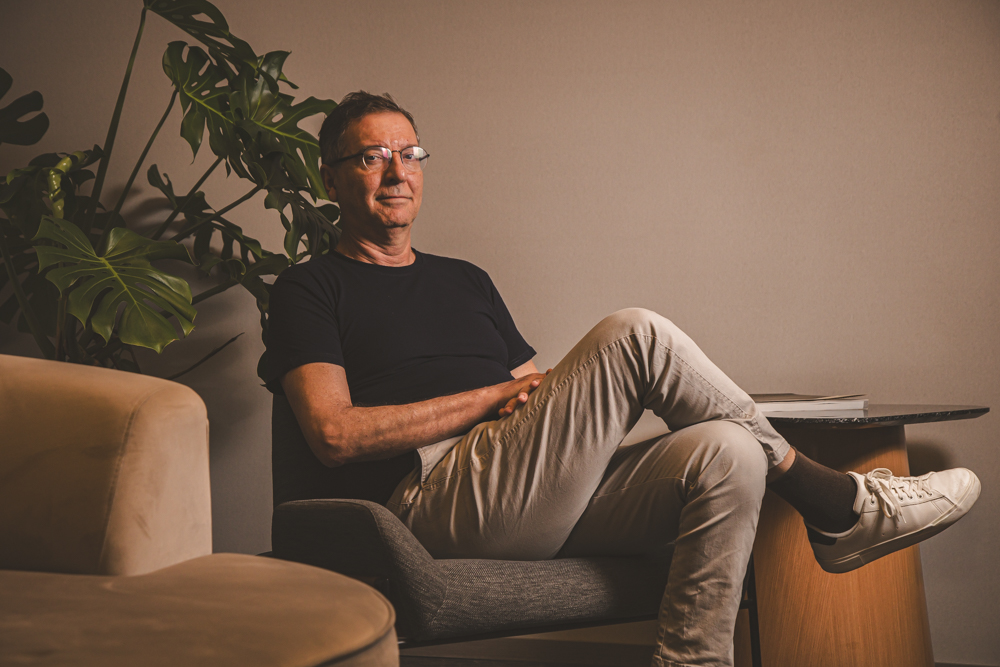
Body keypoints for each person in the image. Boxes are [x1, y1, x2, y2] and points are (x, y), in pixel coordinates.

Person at [262, 91, 981, 667]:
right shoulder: (309, 289)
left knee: (728, 449)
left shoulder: (466, 279)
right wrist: (490, 398)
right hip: (431, 497)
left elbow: (536, 397)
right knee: (636, 331)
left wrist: (546, 403)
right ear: (330, 177)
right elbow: (333, 434)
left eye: (410, 153)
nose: (397, 172)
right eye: (372, 157)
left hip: (522, 484)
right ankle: (837, 503)